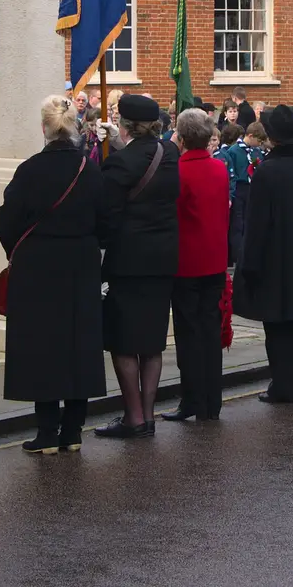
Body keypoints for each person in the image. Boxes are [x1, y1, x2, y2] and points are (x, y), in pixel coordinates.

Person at [0, 95, 107, 454]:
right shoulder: (89, 170)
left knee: (41, 347)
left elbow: (6, 221)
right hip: (80, 264)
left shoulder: (29, 170)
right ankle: (73, 431)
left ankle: (46, 432)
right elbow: (106, 224)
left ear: (44, 128)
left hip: (38, 266)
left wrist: (18, 251)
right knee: (78, 345)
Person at [94, 95, 180, 439]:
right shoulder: (170, 153)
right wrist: (119, 145)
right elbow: (145, 156)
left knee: (125, 341)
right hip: (163, 258)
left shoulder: (117, 165)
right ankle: (148, 413)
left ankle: (133, 416)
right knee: (153, 341)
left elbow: (107, 216)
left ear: (125, 124)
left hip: (127, 261)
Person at [232, 106, 293, 403]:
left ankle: (284, 386)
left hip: (274, 261)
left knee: (276, 327)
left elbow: (257, 225)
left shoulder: (267, 172)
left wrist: (247, 266)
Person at [162, 108, 230, 422]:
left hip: (187, 263)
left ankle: (192, 400)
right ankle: (211, 402)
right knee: (209, 333)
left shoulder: (178, 171)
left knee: (189, 336)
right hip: (215, 261)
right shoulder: (218, 168)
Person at [218, 122, 252, 265]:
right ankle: (236, 256)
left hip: (247, 188)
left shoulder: (251, 151)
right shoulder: (231, 152)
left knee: (245, 222)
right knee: (237, 225)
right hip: (237, 189)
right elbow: (231, 175)